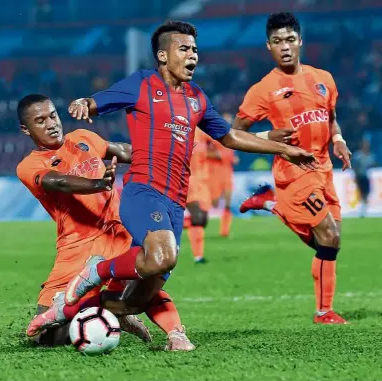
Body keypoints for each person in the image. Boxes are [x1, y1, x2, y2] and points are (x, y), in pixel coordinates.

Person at [33, 20, 316, 329]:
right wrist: (84, 103)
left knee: (136, 300)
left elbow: (231, 137)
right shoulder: (142, 84)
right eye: (184, 49)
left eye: (195, 49)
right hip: (143, 191)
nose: (192, 55)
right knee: (162, 258)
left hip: (175, 202)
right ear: (163, 56)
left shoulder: (197, 98)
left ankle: (75, 312)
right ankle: (97, 271)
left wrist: (283, 149)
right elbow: (98, 101)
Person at [17, 94, 194, 351]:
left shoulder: (82, 138)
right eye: (40, 121)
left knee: (147, 277)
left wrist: (163, 156)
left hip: (117, 232)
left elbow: (122, 151)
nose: (51, 124)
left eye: (53, 115)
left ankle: (176, 334)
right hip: (77, 245)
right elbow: (59, 182)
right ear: (26, 129)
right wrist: (98, 184)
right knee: (44, 338)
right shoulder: (28, 166)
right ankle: (115, 313)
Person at [236, 13, 352, 324]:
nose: (284, 47)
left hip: (323, 168)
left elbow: (331, 116)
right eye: (277, 42)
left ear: (299, 41)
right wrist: (267, 136)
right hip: (294, 171)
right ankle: (324, 312)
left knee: (330, 240)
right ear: (268, 47)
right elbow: (234, 133)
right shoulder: (263, 90)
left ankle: (270, 203)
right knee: (329, 236)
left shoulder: (323, 78)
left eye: (289, 40)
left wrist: (338, 138)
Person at [206, 112, 239, 237]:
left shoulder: (231, 136)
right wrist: (217, 156)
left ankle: (225, 230)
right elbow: (203, 152)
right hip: (214, 173)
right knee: (213, 203)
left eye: (229, 120)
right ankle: (192, 223)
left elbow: (232, 155)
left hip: (227, 173)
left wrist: (233, 158)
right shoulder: (211, 136)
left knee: (228, 203)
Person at [185, 128, 212, 263]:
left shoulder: (203, 131)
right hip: (188, 180)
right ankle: (198, 256)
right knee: (197, 217)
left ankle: (175, 223)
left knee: (203, 220)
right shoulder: (180, 129)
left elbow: (218, 143)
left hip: (204, 181)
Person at [352, 139, 375, 217]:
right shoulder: (358, 156)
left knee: (366, 193)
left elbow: (372, 164)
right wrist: (355, 175)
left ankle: (363, 209)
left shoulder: (370, 155)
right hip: (359, 176)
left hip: (365, 177)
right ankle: (360, 210)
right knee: (361, 193)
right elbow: (354, 166)